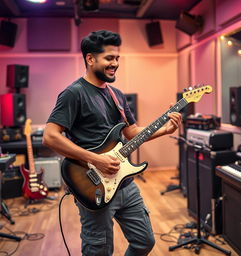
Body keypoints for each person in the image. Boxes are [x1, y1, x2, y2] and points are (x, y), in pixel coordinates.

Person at [43, 30, 182, 256]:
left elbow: (131, 132)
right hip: (93, 185)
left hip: (125, 183)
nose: (115, 63)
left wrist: (165, 130)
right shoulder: (73, 93)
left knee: (144, 241)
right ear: (90, 59)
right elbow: (50, 136)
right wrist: (96, 159)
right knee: (99, 250)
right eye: (109, 58)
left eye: (117, 58)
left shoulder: (117, 95)